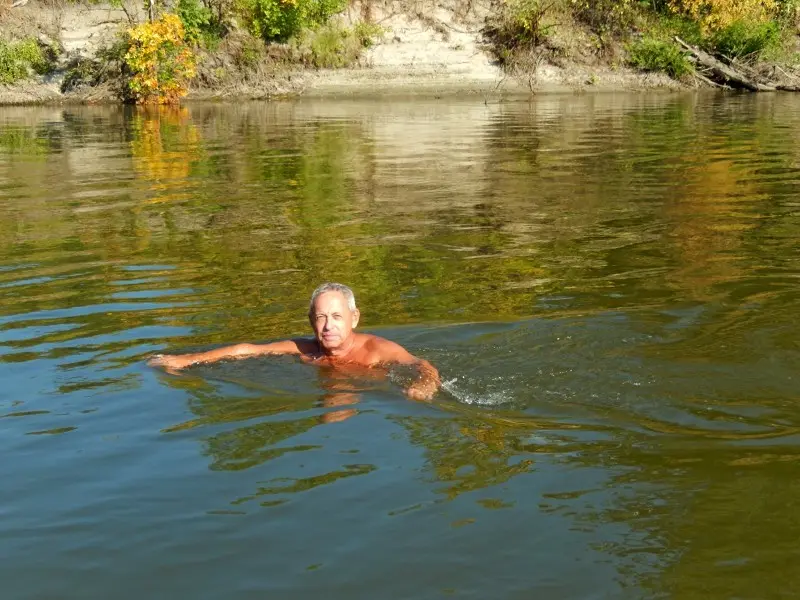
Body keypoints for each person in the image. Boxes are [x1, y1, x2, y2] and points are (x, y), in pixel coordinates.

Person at [148, 282, 441, 401]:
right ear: (311, 320)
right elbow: (247, 350)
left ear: (354, 318)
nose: (328, 326)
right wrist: (187, 360)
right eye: (321, 317)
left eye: (336, 317)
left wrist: (425, 384)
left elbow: (420, 364)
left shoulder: (376, 350)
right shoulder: (306, 348)